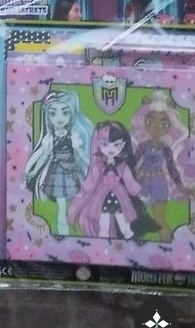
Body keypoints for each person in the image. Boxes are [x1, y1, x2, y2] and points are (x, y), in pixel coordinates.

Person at [68, 121, 158, 240]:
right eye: (105, 144)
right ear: (98, 145)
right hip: (102, 199)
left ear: (123, 145)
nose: (110, 149)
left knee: (124, 225)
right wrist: (82, 192)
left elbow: (130, 183)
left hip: (120, 198)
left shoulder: (122, 166)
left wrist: (140, 194)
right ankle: (102, 241)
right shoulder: (99, 166)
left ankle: (128, 239)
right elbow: (91, 182)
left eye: (116, 145)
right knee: (103, 225)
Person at [25, 89, 93, 235]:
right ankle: (63, 233)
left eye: (65, 112)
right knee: (62, 206)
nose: (59, 118)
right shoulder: (49, 138)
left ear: (71, 115)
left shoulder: (73, 136)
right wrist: (34, 170)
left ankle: (75, 229)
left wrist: (90, 165)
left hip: (72, 172)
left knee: (80, 202)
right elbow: (44, 156)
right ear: (47, 116)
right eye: (53, 113)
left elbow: (80, 154)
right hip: (57, 173)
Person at [132, 95, 192, 242]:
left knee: (159, 221)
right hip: (142, 184)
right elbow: (133, 164)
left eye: (164, 124)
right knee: (136, 218)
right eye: (150, 122)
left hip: (159, 185)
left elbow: (172, 169)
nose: (156, 128)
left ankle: (169, 247)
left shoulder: (165, 148)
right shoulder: (142, 146)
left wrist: (182, 187)